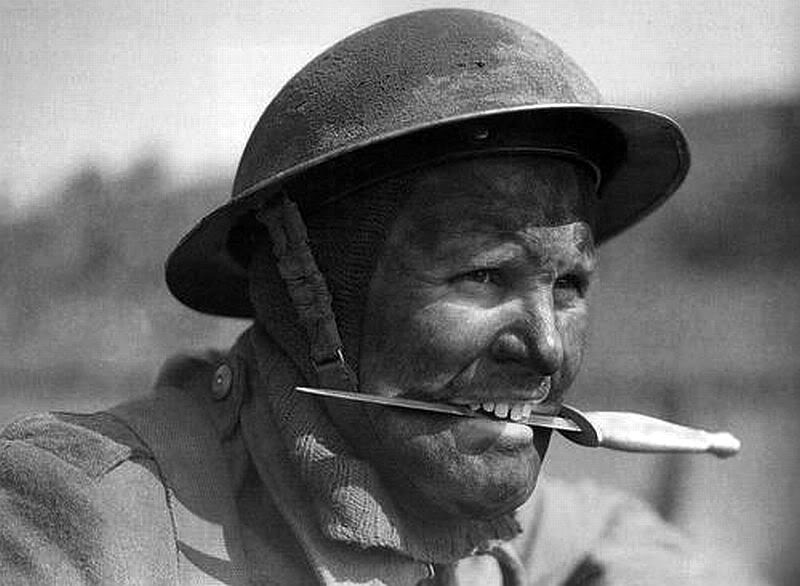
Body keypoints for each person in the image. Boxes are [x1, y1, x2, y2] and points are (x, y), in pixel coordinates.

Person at [0, 9, 765, 586]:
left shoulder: (471, 514)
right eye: (485, 276)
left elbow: (630, 540)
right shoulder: (74, 516)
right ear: (309, 295)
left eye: (568, 285)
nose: (548, 347)